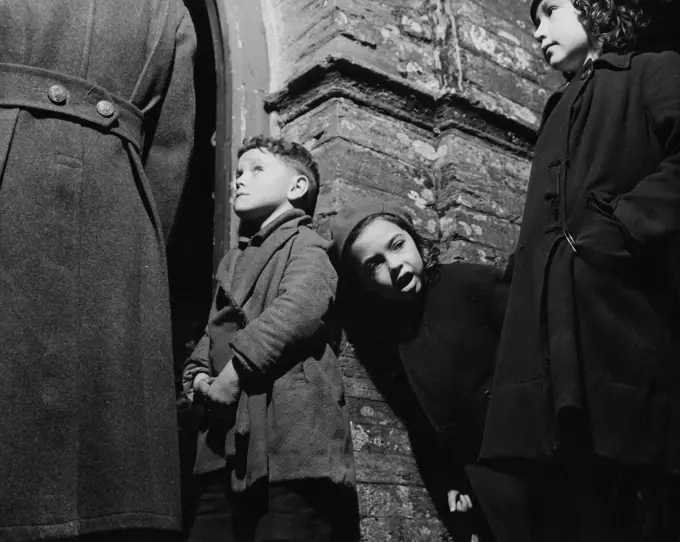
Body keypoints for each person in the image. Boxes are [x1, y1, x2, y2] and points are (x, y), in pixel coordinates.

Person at [478, 0, 680, 539]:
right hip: (550, 353)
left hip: (622, 333)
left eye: (548, 11)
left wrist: (621, 229)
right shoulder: (557, 108)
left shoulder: (654, 71)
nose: (539, 32)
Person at [0, 1, 195, 541]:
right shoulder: (168, 11)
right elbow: (171, 155)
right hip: (117, 210)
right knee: (108, 468)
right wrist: (139, 253)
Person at [182, 136, 356, 542]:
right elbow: (211, 335)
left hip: (289, 441)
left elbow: (299, 308)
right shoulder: (234, 261)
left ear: (297, 188)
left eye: (257, 169)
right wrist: (198, 380)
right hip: (223, 444)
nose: (240, 180)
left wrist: (233, 373)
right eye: (238, 172)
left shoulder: (308, 244)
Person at [328, 202, 532, 542]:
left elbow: (534, 350)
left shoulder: (470, 284)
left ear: (414, 239)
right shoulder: (391, 344)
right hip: (486, 482)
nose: (394, 265)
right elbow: (423, 424)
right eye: (374, 264)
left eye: (397, 245)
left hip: (536, 452)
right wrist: (450, 481)